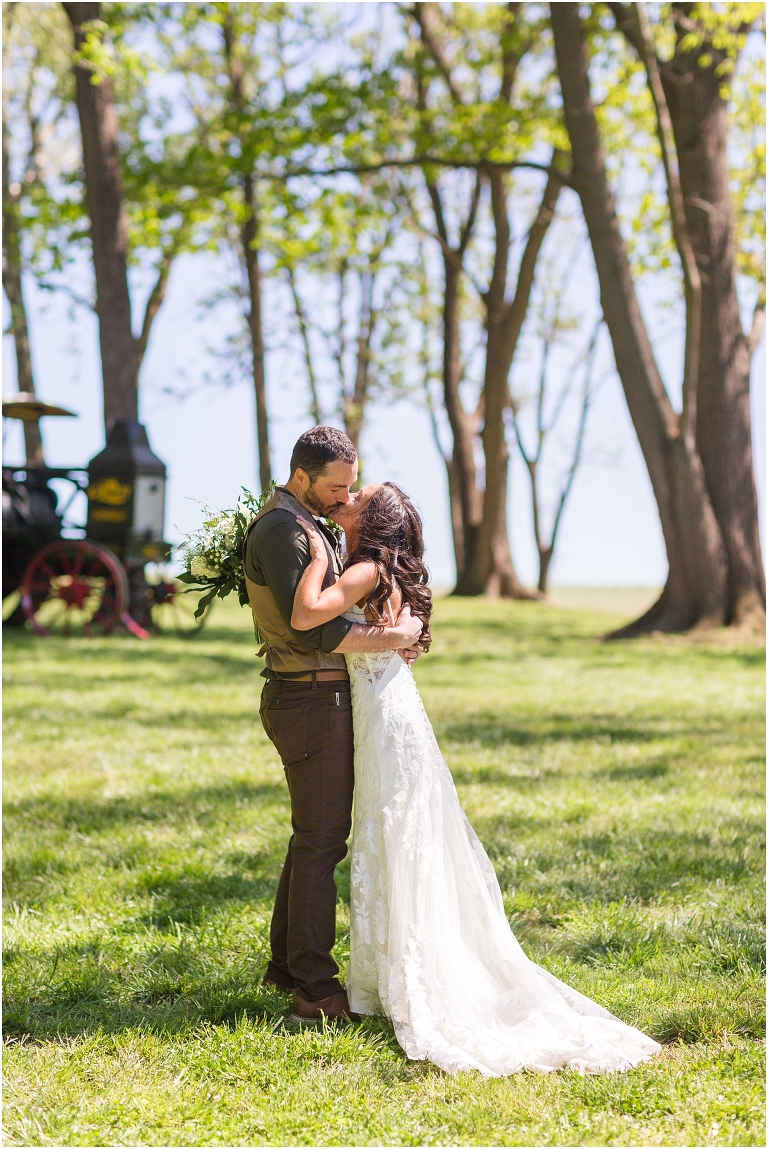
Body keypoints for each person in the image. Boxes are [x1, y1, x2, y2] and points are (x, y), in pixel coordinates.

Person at [291, 481, 661, 1076]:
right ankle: (393, 972)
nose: (351, 493)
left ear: (373, 517)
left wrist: (311, 557)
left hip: (385, 717)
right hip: (393, 708)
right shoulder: (380, 570)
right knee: (397, 835)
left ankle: (409, 976)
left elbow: (308, 614)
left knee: (394, 835)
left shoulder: (361, 571)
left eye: (362, 492)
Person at [243, 428, 423, 1027]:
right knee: (321, 843)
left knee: (313, 839)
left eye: (352, 486)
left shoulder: (309, 523)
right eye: (335, 486)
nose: (344, 496)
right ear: (302, 476)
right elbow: (309, 630)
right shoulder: (283, 529)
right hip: (309, 699)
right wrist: (395, 637)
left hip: (325, 696)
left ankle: (287, 969)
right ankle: (314, 991)